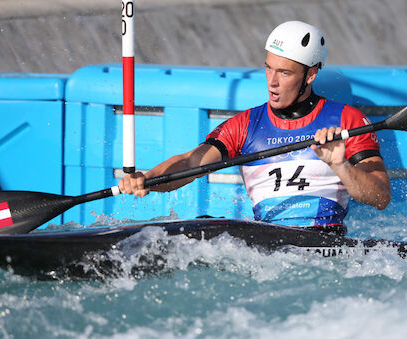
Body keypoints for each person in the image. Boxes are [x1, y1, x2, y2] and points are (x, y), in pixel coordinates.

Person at [119, 21, 390, 235]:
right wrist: (150, 177)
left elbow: (380, 196)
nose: (272, 81)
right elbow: (190, 162)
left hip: (323, 239)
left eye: (284, 73)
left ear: (310, 74)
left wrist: (340, 165)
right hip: (266, 241)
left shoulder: (347, 120)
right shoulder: (245, 125)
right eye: (268, 69)